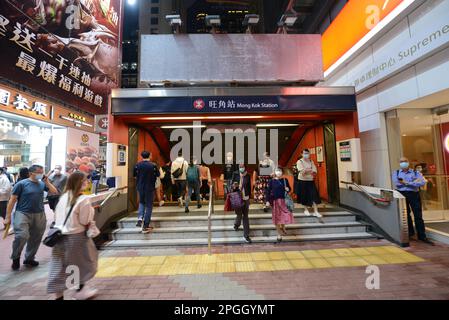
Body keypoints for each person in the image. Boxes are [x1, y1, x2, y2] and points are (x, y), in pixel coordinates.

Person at [47, 171, 99, 300]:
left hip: (59, 237)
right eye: (86, 180)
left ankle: (59, 295)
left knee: (60, 266)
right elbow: (85, 220)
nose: (87, 182)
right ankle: (79, 290)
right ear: (80, 183)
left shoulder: (64, 197)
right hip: (76, 237)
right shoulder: (83, 199)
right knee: (81, 264)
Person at [4, 165, 58, 271]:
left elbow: (55, 191)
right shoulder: (21, 184)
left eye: (42, 172)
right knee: (22, 236)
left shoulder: (42, 184)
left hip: (39, 214)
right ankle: (16, 257)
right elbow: (12, 200)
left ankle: (29, 258)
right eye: (39, 172)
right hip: (22, 213)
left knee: (36, 238)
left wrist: (47, 182)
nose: (41, 174)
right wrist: (8, 216)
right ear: (31, 173)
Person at [392, 157, 433, 245]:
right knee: (406, 215)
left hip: (414, 195)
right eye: (401, 162)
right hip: (401, 194)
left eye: (405, 161)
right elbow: (397, 183)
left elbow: (421, 182)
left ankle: (422, 236)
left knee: (418, 215)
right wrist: (413, 182)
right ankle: (410, 233)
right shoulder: (396, 172)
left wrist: (406, 183)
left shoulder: (415, 172)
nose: (403, 163)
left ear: (408, 162)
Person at [133, 151, 160, 234]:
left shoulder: (137, 165)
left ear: (141, 156)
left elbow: (134, 176)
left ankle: (140, 218)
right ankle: (146, 225)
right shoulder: (153, 165)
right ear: (150, 156)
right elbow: (158, 175)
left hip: (140, 187)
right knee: (149, 206)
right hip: (149, 188)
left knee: (141, 202)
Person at [266, 167, 295, 242]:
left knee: (284, 215)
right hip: (275, 201)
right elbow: (268, 191)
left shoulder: (285, 180)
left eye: (280, 171)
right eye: (277, 171)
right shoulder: (271, 181)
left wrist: (288, 189)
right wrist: (267, 201)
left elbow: (289, 189)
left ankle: (283, 226)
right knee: (276, 218)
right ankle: (278, 234)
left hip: (284, 201)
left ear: (282, 172)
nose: (278, 172)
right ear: (275, 172)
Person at [296, 149, 322, 218]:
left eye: (307, 153)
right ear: (302, 154)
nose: (306, 154)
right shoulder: (299, 161)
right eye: (305, 153)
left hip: (310, 181)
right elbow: (302, 172)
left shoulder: (311, 161)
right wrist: (309, 170)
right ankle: (306, 210)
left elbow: (314, 171)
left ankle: (316, 211)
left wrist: (307, 170)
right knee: (304, 195)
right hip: (302, 180)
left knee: (314, 195)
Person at [232, 163, 252, 243]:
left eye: (243, 167)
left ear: (245, 167)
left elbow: (249, 187)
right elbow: (231, 185)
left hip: (245, 197)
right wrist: (234, 186)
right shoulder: (235, 174)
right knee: (239, 213)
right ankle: (237, 224)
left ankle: (246, 235)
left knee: (245, 216)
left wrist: (249, 198)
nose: (241, 168)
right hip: (237, 197)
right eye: (240, 167)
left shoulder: (248, 175)